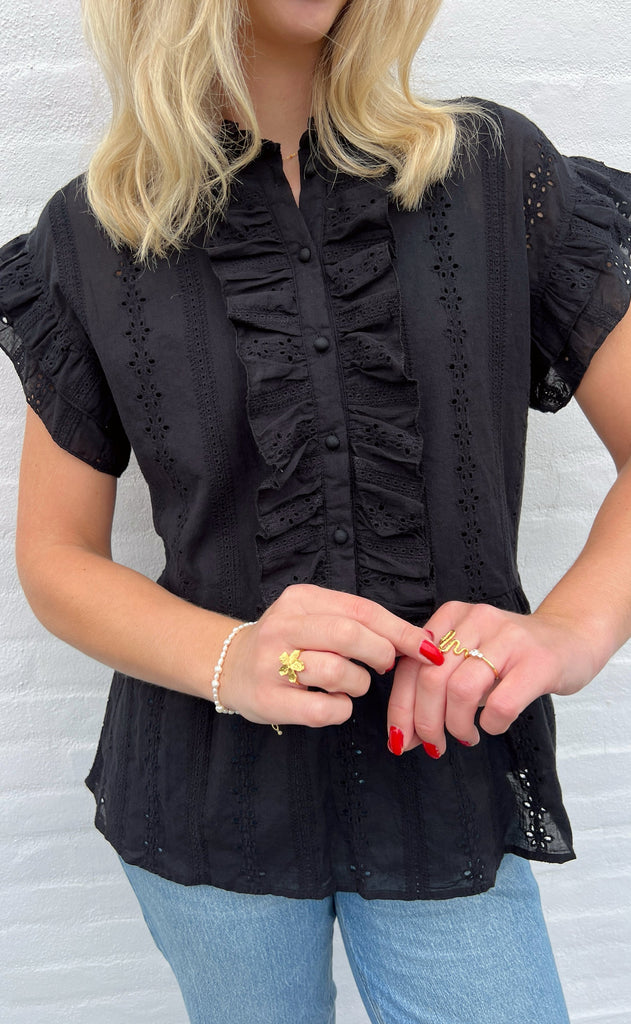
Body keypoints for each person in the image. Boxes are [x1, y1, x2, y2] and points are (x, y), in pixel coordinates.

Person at [1, 0, 630, 1021]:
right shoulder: (92, 235)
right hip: (209, 804)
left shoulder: (495, 174)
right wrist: (232, 656)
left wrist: (571, 630)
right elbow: (54, 556)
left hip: (441, 781)